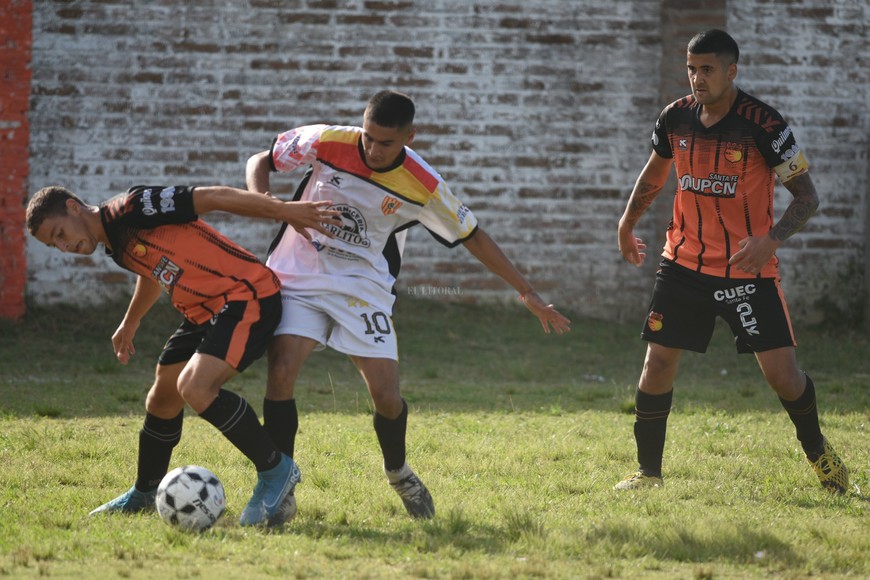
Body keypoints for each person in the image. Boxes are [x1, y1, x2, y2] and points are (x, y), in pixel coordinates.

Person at [245, 89, 572, 519]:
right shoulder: (327, 140)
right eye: (368, 137)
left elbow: (473, 234)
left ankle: (398, 470)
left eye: (386, 143)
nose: (373, 149)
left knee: (386, 396)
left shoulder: (423, 183)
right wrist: (272, 205)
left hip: (363, 286)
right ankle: (278, 483)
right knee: (282, 370)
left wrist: (527, 292)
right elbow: (261, 160)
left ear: (409, 137)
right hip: (298, 274)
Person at [25, 184, 342, 526]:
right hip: (202, 312)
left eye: (59, 233)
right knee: (162, 397)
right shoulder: (114, 243)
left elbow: (214, 197)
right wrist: (131, 321)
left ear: (74, 207)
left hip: (246, 295)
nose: (64, 246)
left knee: (194, 387)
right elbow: (151, 271)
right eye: (53, 244)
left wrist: (284, 210)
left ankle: (276, 470)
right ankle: (145, 493)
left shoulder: (133, 208)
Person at [615, 29, 849, 493]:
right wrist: (626, 222)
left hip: (748, 271)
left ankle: (825, 461)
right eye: (691, 68)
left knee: (783, 377)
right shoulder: (675, 118)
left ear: (731, 71)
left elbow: (807, 196)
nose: (697, 78)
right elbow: (655, 173)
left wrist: (771, 240)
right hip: (682, 265)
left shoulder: (764, 125)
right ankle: (648, 474)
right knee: (657, 365)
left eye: (707, 69)